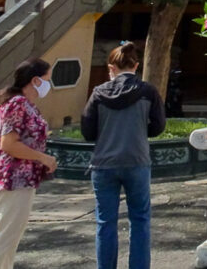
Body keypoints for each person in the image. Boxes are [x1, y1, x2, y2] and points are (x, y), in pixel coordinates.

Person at [82, 42, 166, 269]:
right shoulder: (148, 91)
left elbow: (87, 131)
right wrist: (139, 130)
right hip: (137, 160)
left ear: (112, 68)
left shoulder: (98, 93)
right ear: (136, 65)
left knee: (105, 222)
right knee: (140, 220)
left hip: (104, 163)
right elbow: (158, 126)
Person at [0, 58, 57, 269]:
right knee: (2, 240)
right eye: (47, 79)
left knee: (8, 240)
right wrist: (42, 157)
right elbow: (9, 144)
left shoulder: (22, 104)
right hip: (14, 180)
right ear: (35, 80)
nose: (50, 84)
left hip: (21, 180)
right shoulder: (17, 105)